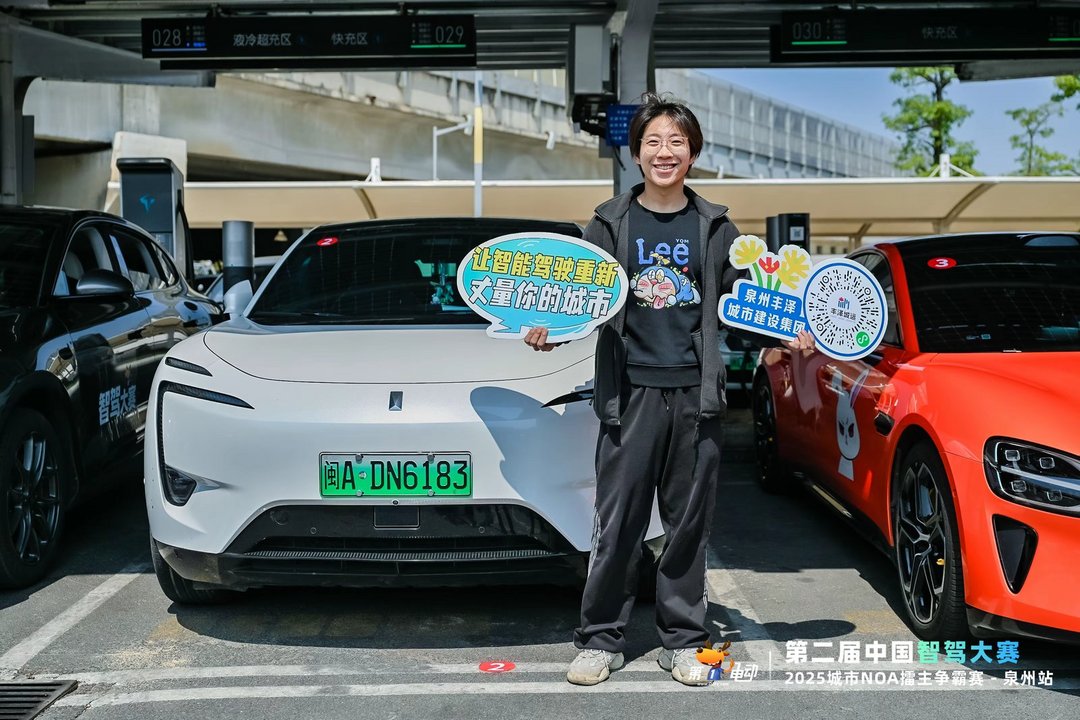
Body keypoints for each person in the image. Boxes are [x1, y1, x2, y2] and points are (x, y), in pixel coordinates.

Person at [523, 92, 815, 687]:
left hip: (695, 397)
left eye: (676, 142)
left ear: (693, 154)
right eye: (652, 141)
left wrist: (789, 331)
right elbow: (579, 301)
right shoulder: (608, 224)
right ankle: (599, 640)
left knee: (687, 526)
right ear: (636, 154)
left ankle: (682, 641)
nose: (664, 152)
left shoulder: (716, 227)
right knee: (618, 523)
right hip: (629, 396)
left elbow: (744, 305)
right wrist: (548, 331)